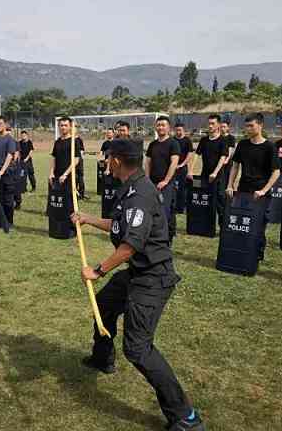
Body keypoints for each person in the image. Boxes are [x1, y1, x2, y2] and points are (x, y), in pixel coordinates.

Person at [71, 139, 205, 431]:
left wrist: (97, 270)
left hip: (153, 278)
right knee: (104, 306)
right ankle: (102, 358)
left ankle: (186, 417)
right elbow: (121, 225)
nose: (106, 162)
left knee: (138, 348)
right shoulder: (131, 187)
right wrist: (88, 219)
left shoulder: (140, 195)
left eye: (108, 158)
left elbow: (129, 245)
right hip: (137, 272)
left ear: (117, 161)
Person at [226, 113, 281, 260]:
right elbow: (235, 166)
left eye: (251, 126)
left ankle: (257, 253)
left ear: (260, 126)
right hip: (243, 190)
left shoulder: (269, 146)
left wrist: (263, 190)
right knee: (242, 221)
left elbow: (276, 172)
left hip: (260, 193)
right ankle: (241, 249)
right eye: (246, 126)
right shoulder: (243, 145)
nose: (248, 129)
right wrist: (230, 185)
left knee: (258, 224)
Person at [188, 114, 228, 228]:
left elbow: (223, 157)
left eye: (213, 124)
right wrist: (190, 170)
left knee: (220, 202)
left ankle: (222, 227)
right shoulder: (204, 140)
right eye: (209, 123)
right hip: (204, 176)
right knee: (203, 199)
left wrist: (215, 173)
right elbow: (197, 155)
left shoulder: (223, 140)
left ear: (219, 125)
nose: (210, 126)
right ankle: (205, 225)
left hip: (218, 177)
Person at [145, 116, 180, 241]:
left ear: (168, 127)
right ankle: (153, 236)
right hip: (152, 183)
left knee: (164, 211)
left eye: (163, 125)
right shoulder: (153, 144)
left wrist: (165, 181)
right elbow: (148, 162)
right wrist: (147, 179)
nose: (160, 127)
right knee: (151, 210)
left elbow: (174, 163)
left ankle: (165, 239)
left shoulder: (173, 143)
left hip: (167, 184)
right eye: (158, 125)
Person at [173, 123, 194, 214]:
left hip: (182, 168)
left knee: (182, 188)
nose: (178, 132)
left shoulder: (187, 141)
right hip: (172, 168)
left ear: (183, 130)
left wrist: (181, 165)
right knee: (173, 188)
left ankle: (181, 208)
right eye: (177, 130)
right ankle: (174, 206)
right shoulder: (173, 140)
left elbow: (189, 155)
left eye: (180, 130)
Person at [220, 119, 236, 183]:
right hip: (219, 160)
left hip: (227, 162)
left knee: (226, 178)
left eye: (224, 127)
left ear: (228, 128)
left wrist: (227, 160)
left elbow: (231, 150)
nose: (222, 128)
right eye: (221, 127)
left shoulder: (231, 138)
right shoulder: (219, 137)